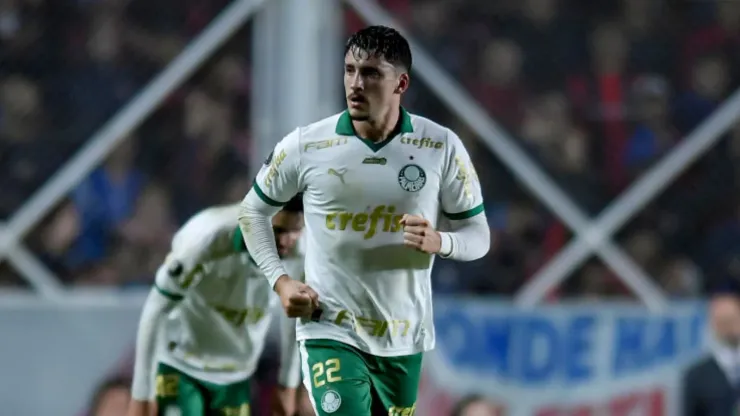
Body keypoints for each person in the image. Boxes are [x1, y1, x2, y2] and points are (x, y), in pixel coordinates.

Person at [239, 25, 490, 415]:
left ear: (400, 82)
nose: (356, 83)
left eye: (371, 73)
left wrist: (443, 241)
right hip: (330, 326)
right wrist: (281, 280)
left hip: (403, 337)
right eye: (350, 70)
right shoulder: (307, 145)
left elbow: (479, 235)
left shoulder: (439, 146)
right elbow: (252, 211)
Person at [127, 197, 305, 416]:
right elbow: (156, 307)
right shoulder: (203, 237)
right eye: (277, 230)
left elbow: (297, 315)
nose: (286, 241)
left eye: (294, 231)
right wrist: (141, 397)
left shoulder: (302, 250)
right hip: (181, 365)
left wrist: (288, 383)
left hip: (235, 376)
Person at [682, 285, 740, 416]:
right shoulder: (696, 376)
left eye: (732, 319)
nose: (729, 328)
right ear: (713, 324)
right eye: (723, 321)